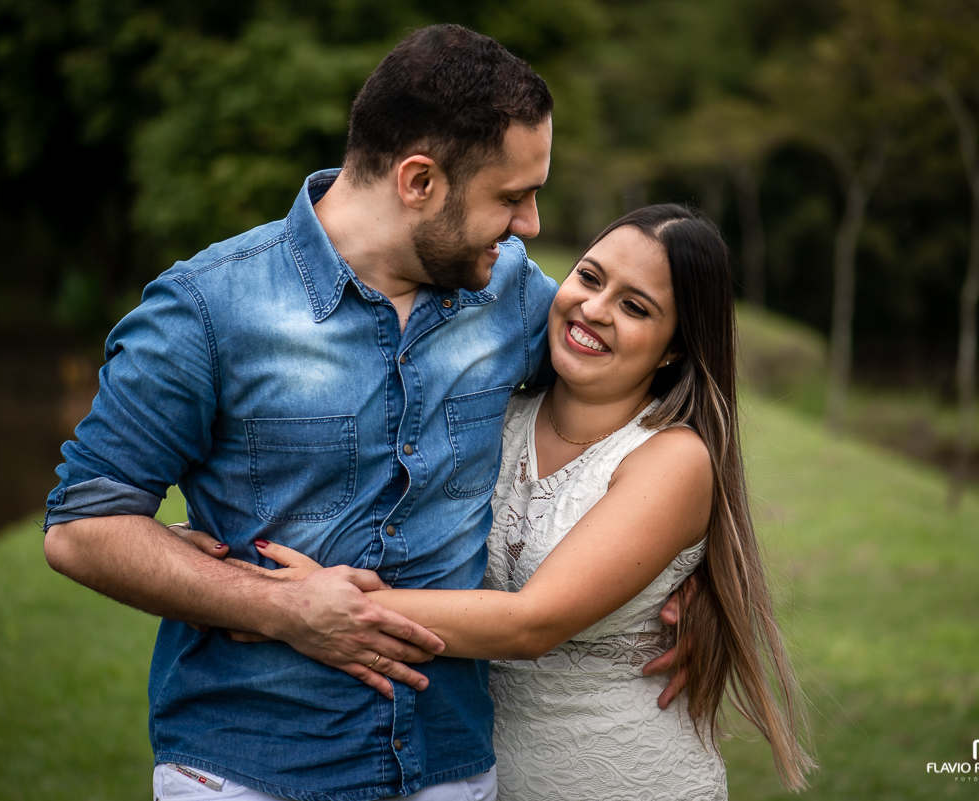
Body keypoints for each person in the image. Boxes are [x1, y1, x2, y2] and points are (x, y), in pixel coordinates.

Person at [43, 24, 686, 801]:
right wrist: (278, 604)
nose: (531, 225)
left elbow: (663, 399)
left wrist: (688, 583)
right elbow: (82, 527)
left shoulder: (512, 295)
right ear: (419, 181)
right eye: (511, 197)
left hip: (452, 770)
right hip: (249, 770)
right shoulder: (207, 309)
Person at [221, 205, 816, 798]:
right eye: (589, 277)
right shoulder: (492, 416)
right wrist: (219, 538)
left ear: (674, 349)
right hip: (469, 769)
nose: (594, 309)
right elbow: (373, 510)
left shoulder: (672, 458)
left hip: (620, 776)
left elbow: (533, 623)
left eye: (636, 307)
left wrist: (307, 608)